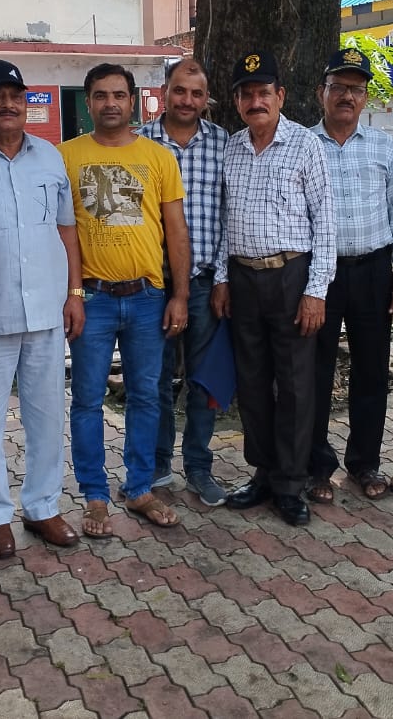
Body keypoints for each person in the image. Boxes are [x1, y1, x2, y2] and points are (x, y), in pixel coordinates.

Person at [0, 59, 85, 559]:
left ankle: (43, 507)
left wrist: (74, 293)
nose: (8, 104)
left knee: (47, 418)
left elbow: (66, 228)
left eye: (16, 96)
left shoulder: (50, 157)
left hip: (47, 310)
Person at [58, 62, 191, 538]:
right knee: (86, 399)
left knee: (147, 397)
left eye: (119, 94)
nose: (110, 103)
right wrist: (72, 293)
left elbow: (176, 231)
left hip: (147, 298)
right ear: (89, 102)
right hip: (92, 299)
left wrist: (179, 295)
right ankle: (94, 495)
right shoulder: (65, 156)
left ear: (132, 101)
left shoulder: (159, 157)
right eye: (100, 95)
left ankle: (138, 487)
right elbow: (62, 232)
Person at [212, 50, 335, 526]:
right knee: (253, 381)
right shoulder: (232, 149)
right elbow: (225, 222)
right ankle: (263, 473)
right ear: (237, 102)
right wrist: (222, 279)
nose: (255, 101)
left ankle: (290, 481)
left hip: (291, 277)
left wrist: (316, 290)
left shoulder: (306, 146)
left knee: (296, 384)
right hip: (243, 278)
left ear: (280, 96)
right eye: (246, 94)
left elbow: (325, 224)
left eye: (264, 92)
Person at [309, 47, 393, 503]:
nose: (347, 96)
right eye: (338, 87)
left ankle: (364, 462)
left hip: (373, 271)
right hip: (320, 274)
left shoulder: (383, 147)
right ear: (322, 92)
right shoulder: (303, 145)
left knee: (371, 370)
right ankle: (316, 466)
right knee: (314, 370)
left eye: (355, 88)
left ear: (366, 96)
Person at [137, 57, 230, 506]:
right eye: (179, 91)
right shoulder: (139, 143)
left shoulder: (223, 143)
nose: (187, 100)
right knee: (153, 380)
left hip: (204, 283)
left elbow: (232, 216)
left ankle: (198, 466)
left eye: (196, 93)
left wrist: (223, 278)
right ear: (164, 92)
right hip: (151, 285)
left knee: (203, 380)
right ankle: (157, 466)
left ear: (206, 98)